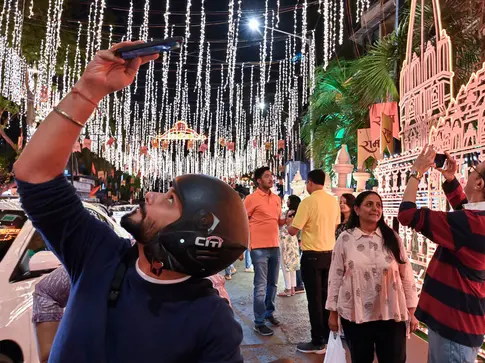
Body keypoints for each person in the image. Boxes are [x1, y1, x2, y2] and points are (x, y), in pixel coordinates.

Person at [14, 41, 247, 362]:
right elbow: (34, 176)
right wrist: (89, 89)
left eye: (169, 200)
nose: (148, 195)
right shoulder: (99, 254)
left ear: (196, 231)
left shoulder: (212, 320)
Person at [397, 146, 485, 363]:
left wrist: (416, 173)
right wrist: (451, 180)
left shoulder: (470, 225)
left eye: (474, 169)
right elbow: (466, 213)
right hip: (459, 320)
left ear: (480, 184)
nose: (469, 173)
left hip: (455, 325)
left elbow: (407, 215)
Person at [32, 267, 233, 363]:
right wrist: (51, 352)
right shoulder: (103, 263)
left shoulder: (208, 292)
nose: (150, 196)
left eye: (170, 200)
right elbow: (46, 292)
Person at [326, 191, 418, 363]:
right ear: (357, 209)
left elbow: (407, 276)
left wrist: (412, 312)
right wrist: (332, 312)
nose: (375, 209)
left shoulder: (392, 238)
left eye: (378, 205)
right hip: (356, 313)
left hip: (390, 313)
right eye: (369, 204)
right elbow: (335, 276)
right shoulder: (345, 239)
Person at [288, 169, 340, 354]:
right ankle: (328, 337)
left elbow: (294, 230)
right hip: (330, 255)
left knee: (314, 300)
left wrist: (288, 223)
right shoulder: (333, 201)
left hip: (312, 256)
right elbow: (334, 225)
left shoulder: (307, 202)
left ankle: (317, 341)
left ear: (310, 182)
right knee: (327, 298)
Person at [244, 166, 284, 336]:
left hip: (275, 245)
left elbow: (276, 222)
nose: (271, 178)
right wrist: (243, 246)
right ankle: (259, 322)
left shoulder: (276, 199)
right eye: (267, 176)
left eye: (271, 176)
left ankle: (269, 312)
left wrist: (287, 221)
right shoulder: (251, 199)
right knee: (260, 285)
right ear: (259, 181)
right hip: (258, 247)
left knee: (273, 283)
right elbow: (243, 221)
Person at [278, 195, 301, 297]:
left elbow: (281, 222)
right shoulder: (298, 213)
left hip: (285, 240)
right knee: (292, 266)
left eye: (288, 200)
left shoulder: (288, 213)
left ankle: (288, 289)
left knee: (285, 264)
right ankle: (292, 288)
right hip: (293, 240)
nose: (286, 202)